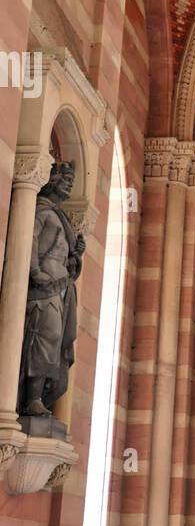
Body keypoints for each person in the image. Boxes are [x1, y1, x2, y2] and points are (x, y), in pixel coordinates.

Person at [19, 160, 86, 417]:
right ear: (52, 180)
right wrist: (36, 272)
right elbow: (30, 240)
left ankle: (41, 399)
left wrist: (75, 257)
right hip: (43, 289)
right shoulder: (41, 212)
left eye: (71, 180)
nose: (69, 184)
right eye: (65, 179)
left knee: (56, 342)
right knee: (42, 339)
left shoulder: (61, 217)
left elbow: (66, 260)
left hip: (60, 289)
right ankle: (32, 399)